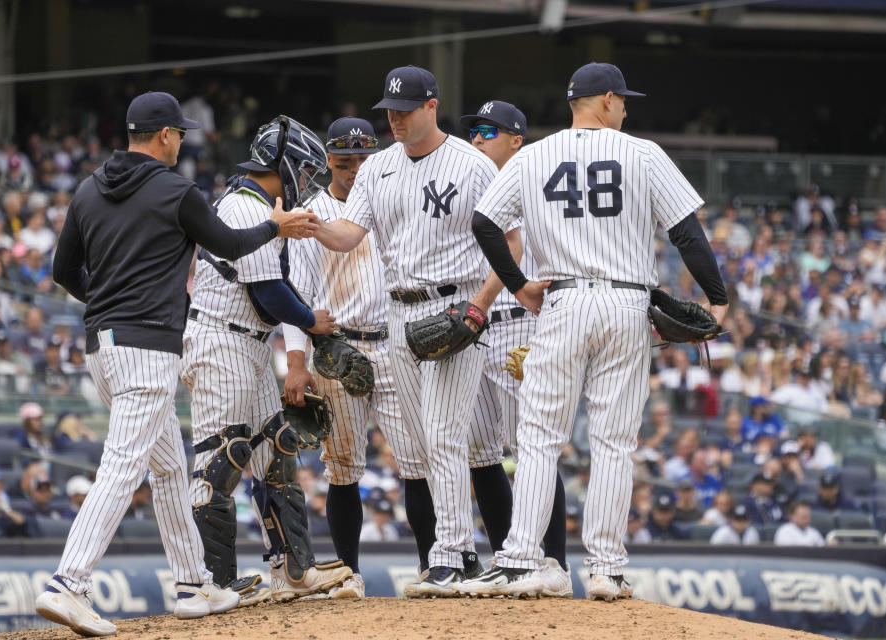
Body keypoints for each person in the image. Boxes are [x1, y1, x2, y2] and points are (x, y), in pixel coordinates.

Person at [36, 91, 318, 635]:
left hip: (104, 346)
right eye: (180, 134)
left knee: (168, 467)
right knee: (123, 468)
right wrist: (275, 229)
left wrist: (106, 302)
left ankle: (194, 584)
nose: (182, 141)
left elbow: (63, 269)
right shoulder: (175, 189)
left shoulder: (89, 189)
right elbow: (230, 244)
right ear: (165, 135)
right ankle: (68, 584)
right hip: (147, 350)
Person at [458, 62, 728, 600]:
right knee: (614, 442)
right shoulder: (643, 153)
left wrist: (518, 287)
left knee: (538, 437)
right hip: (627, 303)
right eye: (623, 99)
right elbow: (688, 235)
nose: (626, 108)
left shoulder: (533, 154)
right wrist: (717, 300)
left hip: (561, 300)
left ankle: (518, 560)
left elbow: (485, 223)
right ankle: (605, 570)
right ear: (605, 100)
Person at [311, 66, 503, 597]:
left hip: (453, 309)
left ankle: (447, 555)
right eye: (390, 110)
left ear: (432, 106)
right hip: (399, 314)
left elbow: (508, 238)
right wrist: (311, 226)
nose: (394, 118)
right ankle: (461, 554)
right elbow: (349, 234)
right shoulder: (379, 169)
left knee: (444, 435)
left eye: (405, 109)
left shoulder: (472, 163)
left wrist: (480, 306)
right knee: (422, 442)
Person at [181, 116, 350, 607]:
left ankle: (292, 570)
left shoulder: (259, 205)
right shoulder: (241, 205)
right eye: (302, 167)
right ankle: (211, 582)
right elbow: (269, 292)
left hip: (247, 343)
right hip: (220, 341)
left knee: (275, 448)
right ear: (282, 165)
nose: (308, 178)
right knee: (222, 457)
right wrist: (311, 322)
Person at [282, 116, 403, 599]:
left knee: (418, 460)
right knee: (343, 467)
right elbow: (297, 294)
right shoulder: (312, 211)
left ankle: (435, 564)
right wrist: (296, 361)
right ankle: (349, 573)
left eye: (362, 159)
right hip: (339, 347)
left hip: (396, 343)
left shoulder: (391, 201)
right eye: (344, 160)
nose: (354, 169)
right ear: (327, 160)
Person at [459, 99, 571, 596]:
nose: (478, 137)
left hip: (517, 322)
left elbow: (522, 248)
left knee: (533, 448)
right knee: (480, 453)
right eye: (474, 130)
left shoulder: (534, 181)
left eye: (489, 130)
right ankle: (511, 559)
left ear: (516, 140)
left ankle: (555, 563)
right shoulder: (467, 181)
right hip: (471, 329)